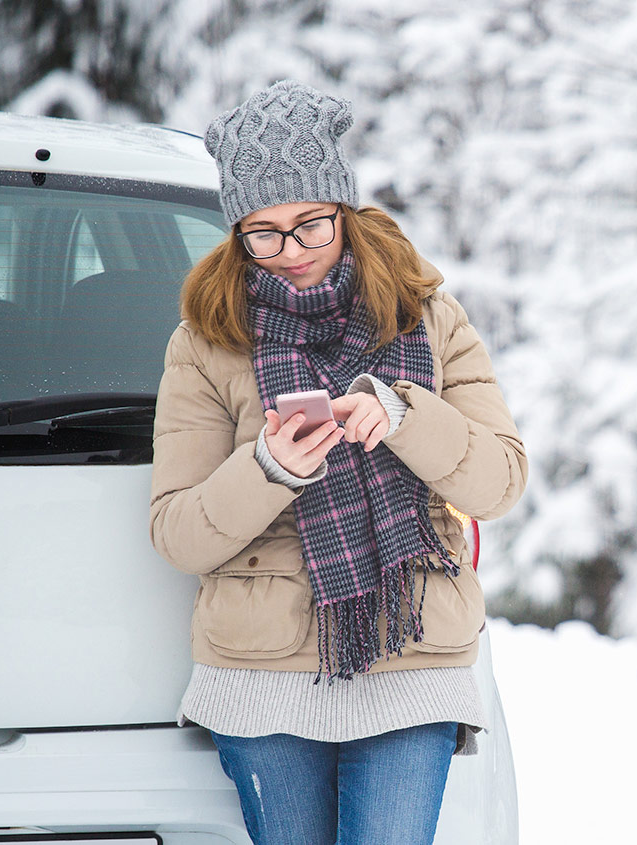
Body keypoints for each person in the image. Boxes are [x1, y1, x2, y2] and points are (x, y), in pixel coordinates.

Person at [148, 80, 527, 845]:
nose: (291, 253)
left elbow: (499, 480)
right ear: (237, 235)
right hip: (261, 671)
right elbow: (178, 533)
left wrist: (402, 416)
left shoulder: (429, 316)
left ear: (344, 210)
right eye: (265, 233)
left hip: (410, 653)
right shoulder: (206, 340)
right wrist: (269, 467)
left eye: (311, 224)